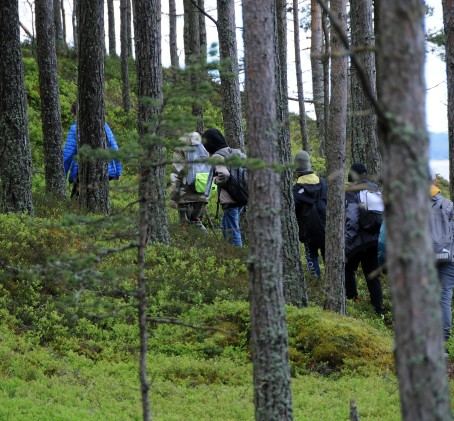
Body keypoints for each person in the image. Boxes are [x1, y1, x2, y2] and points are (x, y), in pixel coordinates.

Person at [344, 162, 383, 315]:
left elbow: (352, 218)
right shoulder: (374, 188)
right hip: (374, 240)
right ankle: (378, 311)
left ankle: (352, 299)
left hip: (359, 241)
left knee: (347, 267)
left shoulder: (352, 190)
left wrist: (348, 241)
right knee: (373, 275)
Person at [63, 102, 122, 197]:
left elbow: (68, 154)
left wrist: (62, 174)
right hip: (104, 170)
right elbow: (115, 149)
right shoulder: (104, 126)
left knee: (77, 200)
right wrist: (118, 172)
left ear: (75, 114)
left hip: (82, 171)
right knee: (100, 198)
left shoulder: (75, 128)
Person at [202, 128, 246, 247]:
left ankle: (238, 256)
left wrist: (216, 180)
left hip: (230, 198)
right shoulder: (235, 152)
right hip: (242, 196)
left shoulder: (217, 156)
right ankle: (229, 251)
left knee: (232, 229)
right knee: (225, 226)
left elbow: (224, 174)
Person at [292, 151, 327, 278]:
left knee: (311, 255)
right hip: (325, 228)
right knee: (328, 256)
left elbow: (293, 213)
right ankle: (333, 283)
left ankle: (316, 281)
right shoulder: (323, 183)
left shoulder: (295, 189)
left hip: (308, 231)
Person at [430, 170, 454, 350]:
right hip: (447, 257)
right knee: (443, 298)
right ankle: (443, 342)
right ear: (435, 182)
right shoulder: (449, 205)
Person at [170, 132, 209, 231]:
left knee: (185, 226)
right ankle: (205, 244)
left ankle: (186, 245)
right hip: (202, 192)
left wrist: (173, 196)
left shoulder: (181, 146)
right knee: (197, 222)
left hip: (186, 194)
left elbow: (177, 171)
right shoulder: (203, 146)